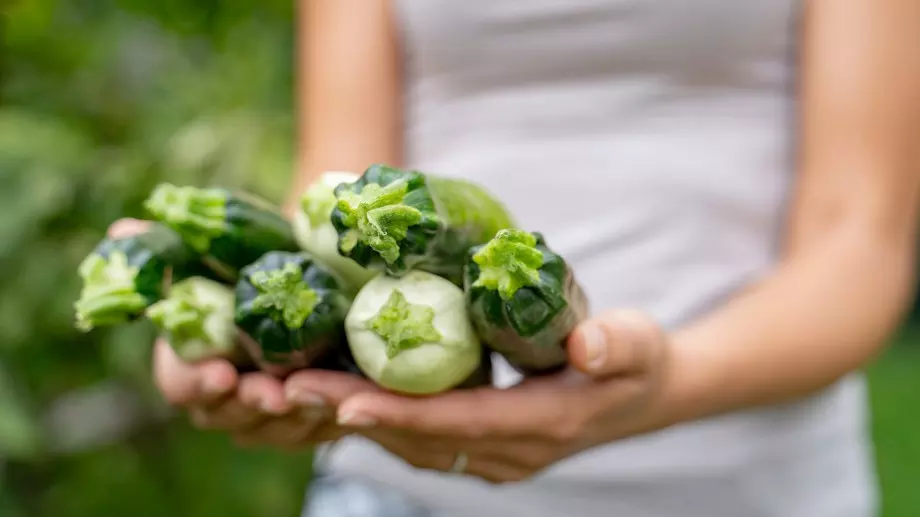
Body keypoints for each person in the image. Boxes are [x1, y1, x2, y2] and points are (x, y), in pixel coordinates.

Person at [109, 1, 920, 516]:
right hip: (402, 484)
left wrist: (668, 383)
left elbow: (862, 236)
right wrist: (244, 339)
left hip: (749, 483)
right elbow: (336, 193)